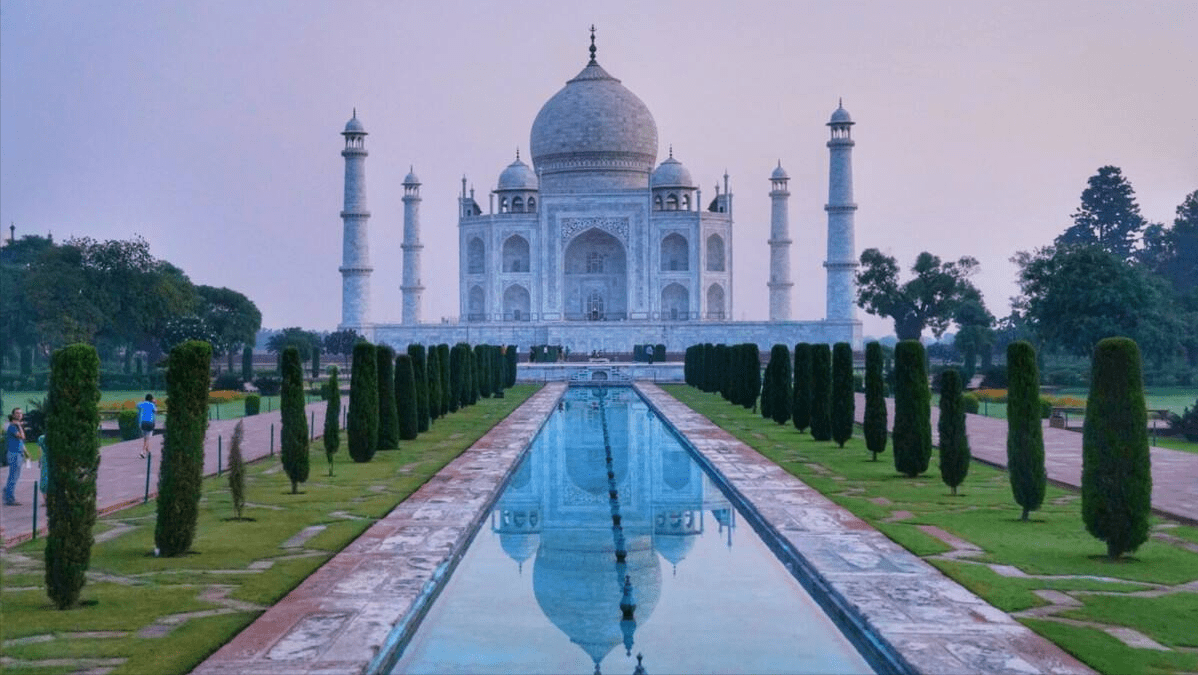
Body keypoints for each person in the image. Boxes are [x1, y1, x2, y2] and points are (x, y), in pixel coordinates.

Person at [5, 408, 27, 506]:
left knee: (15, 476)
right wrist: (19, 425)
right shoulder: (13, 427)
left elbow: (21, 442)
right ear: (13, 415)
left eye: (20, 413)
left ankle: (7, 493)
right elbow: (22, 437)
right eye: (17, 413)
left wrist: (26, 452)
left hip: (18, 453)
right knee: (13, 477)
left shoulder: (16, 426)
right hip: (14, 454)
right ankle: (9, 498)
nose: (19, 415)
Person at [137, 394, 157, 459]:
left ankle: (148, 451)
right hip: (150, 422)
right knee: (148, 438)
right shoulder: (152, 405)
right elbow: (155, 411)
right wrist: (154, 403)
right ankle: (143, 452)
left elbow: (137, 405)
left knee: (146, 438)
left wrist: (143, 401)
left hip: (143, 422)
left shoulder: (142, 404)